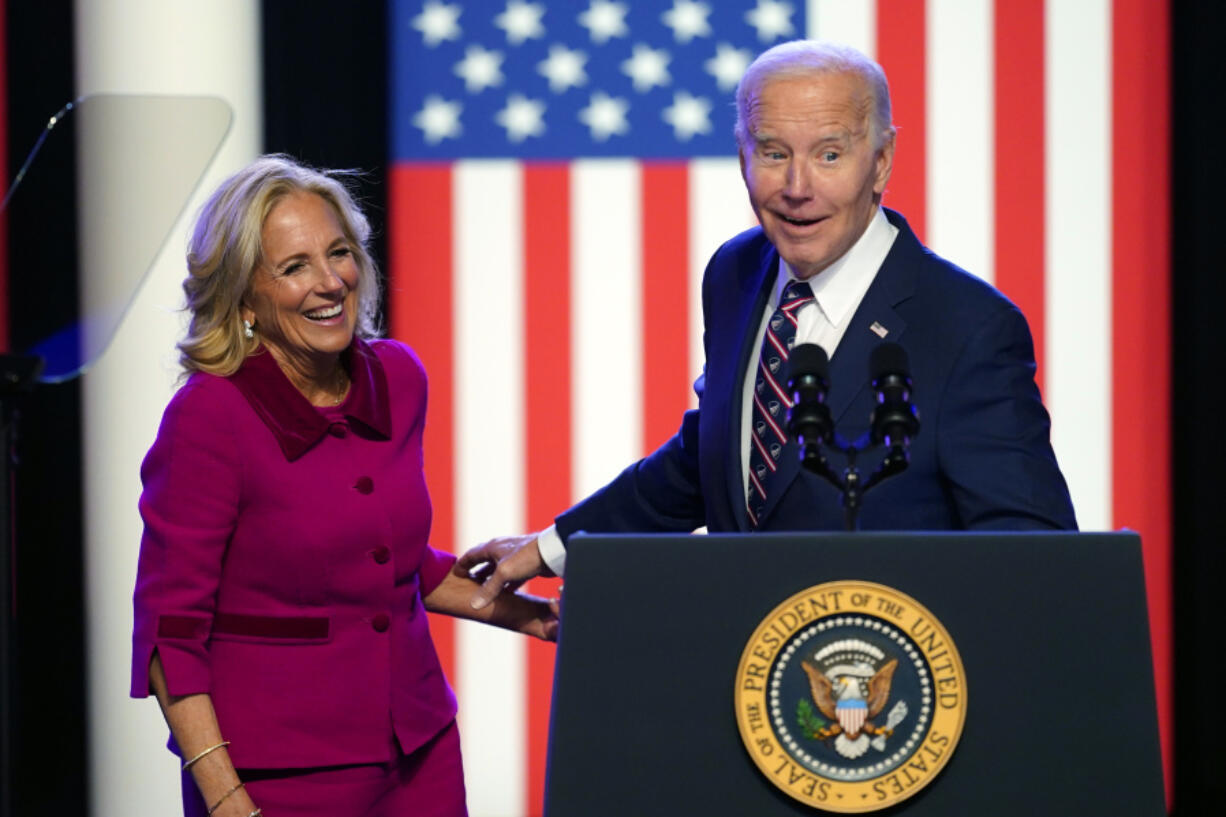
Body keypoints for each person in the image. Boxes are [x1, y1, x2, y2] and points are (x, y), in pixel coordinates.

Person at [458, 40, 1077, 606]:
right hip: (745, 679)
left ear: (881, 162)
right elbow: (718, 453)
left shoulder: (967, 326)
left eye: (829, 155)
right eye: (774, 154)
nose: (797, 187)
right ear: (742, 158)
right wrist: (552, 547)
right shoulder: (735, 273)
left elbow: (1028, 553)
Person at [131, 155, 557, 817]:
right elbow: (170, 633)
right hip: (279, 774)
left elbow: (388, 566)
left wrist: (528, 613)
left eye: (339, 253)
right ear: (246, 297)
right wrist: (225, 797)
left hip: (420, 752)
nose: (330, 282)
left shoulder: (397, 376)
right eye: (294, 266)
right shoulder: (209, 418)